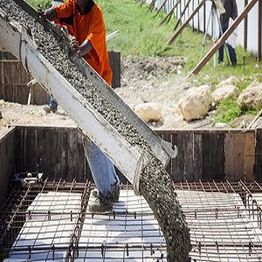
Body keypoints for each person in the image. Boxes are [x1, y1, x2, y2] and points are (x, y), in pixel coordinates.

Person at [43, 0, 120, 212]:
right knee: (99, 138)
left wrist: (78, 50)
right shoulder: (73, 7)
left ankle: (105, 196)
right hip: (84, 81)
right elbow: (55, 12)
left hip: (97, 83)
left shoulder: (96, 14)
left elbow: (89, 44)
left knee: (92, 141)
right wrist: (43, 15)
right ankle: (112, 186)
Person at [218, 0, 238, 65]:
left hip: (230, 20)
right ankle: (220, 59)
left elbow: (227, 8)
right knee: (220, 40)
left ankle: (234, 62)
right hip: (224, 19)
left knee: (230, 42)